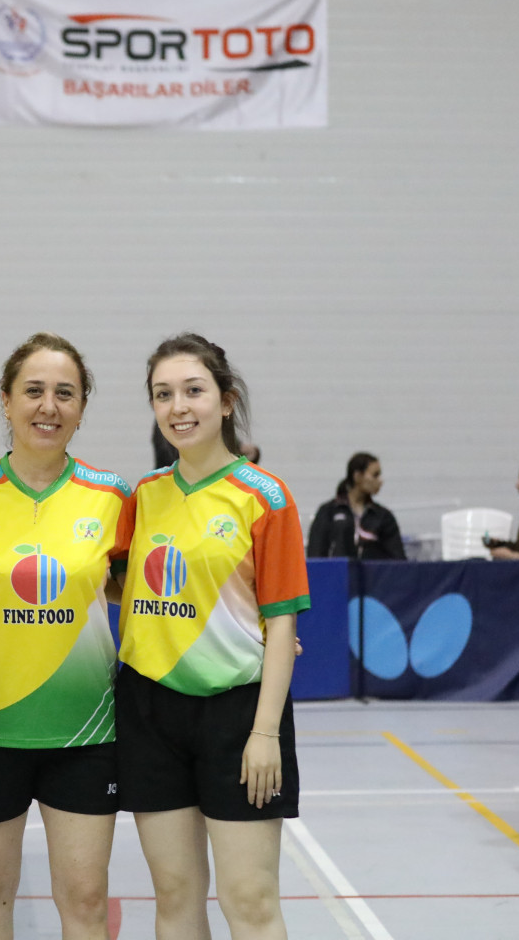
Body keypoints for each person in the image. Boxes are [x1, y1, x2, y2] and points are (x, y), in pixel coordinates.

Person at [0, 333, 131, 940]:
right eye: (34, 391)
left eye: (65, 393)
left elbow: (144, 591)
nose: (49, 406)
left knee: (86, 901)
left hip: (84, 730)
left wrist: (258, 628)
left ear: (82, 407)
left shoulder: (114, 498)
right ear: (6, 399)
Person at [118, 333, 307, 940]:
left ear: (226, 401)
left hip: (238, 716)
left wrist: (264, 732)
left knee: (248, 899)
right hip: (150, 710)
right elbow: (108, 584)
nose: (178, 407)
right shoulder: (142, 496)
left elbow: (283, 624)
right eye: (163, 394)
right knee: (175, 895)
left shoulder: (265, 496)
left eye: (193, 391)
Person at [306, 452, 406, 560]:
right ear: (357, 476)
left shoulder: (383, 517)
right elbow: (315, 553)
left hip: (372, 571)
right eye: (375, 475)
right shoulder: (328, 512)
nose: (380, 481)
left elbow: (398, 559)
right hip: (337, 570)